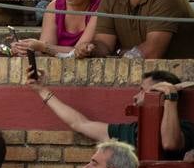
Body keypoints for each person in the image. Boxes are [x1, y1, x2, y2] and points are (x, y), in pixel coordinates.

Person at [29, 68, 194, 160]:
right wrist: (42, 90)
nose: (135, 97)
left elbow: (170, 144)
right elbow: (79, 124)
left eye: (142, 91)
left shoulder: (186, 128)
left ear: (160, 93)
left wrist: (170, 98)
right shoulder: (131, 131)